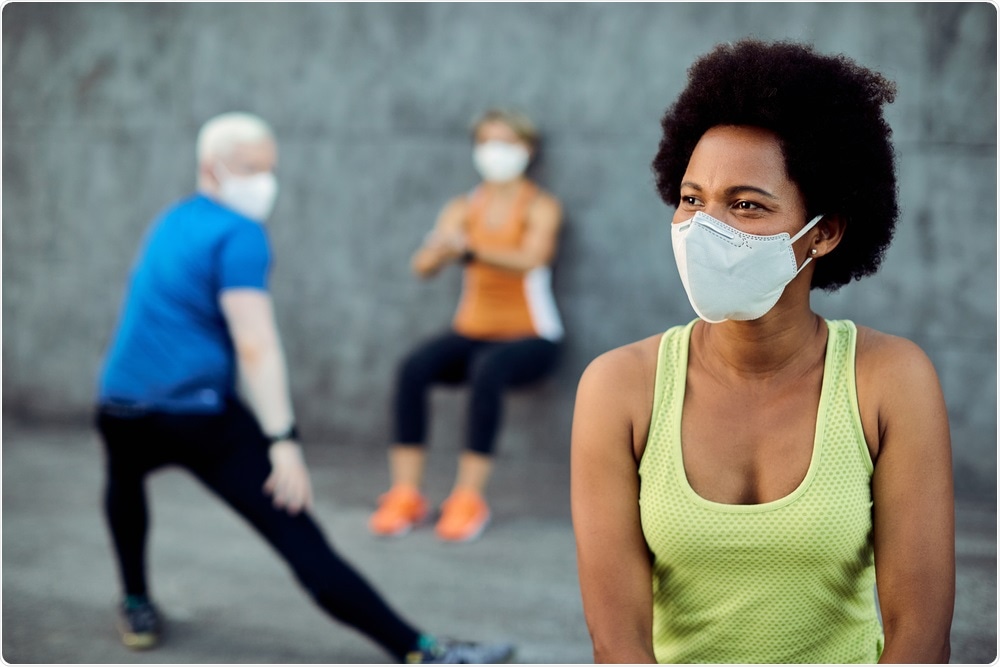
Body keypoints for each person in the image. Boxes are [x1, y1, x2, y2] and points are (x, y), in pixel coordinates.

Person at [571, 40, 955, 664]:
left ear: (824, 233)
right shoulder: (619, 387)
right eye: (692, 199)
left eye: (746, 205)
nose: (705, 228)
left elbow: (921, 636)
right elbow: (616, 644)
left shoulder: (890, 380)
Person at [95, 111, 515, 663]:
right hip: (198, 418)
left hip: (118, 403)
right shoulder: (241, 233)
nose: (263, 183)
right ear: (210, 168)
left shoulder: (173, 220)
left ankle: (135, 602)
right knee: (299, 538)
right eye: (249, 169)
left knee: (124, 488)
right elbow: (256, 343)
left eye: (269, 169)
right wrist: (283, 439)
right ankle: (421, 651)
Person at [369, 109, 564, 543]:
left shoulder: (540, 206)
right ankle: (406, 494)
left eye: (506, 142)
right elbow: (422, 265)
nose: (495, 152)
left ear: (527, 150)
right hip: (471, 331)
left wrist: (471, 249)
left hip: (532, 337)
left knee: (487, 371)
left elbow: (532, 258)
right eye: (487, 142)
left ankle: (468, 499)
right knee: (413, 368)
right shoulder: (463, 206)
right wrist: (442, 250)